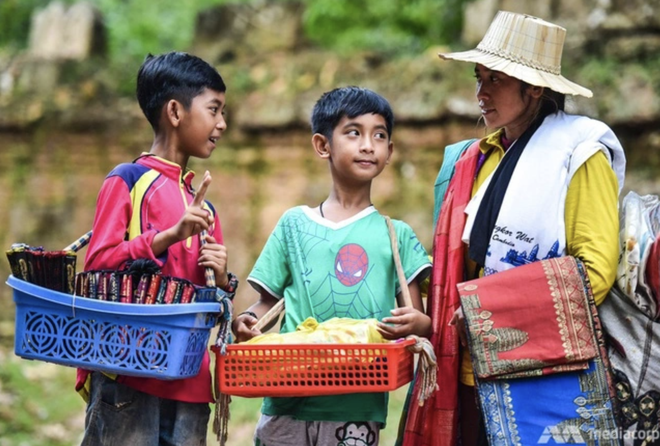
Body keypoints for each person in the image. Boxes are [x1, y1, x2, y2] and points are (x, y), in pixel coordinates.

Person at [397, 11, 626, 446]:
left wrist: (491, 314)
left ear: (535, 87)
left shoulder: (579, 154)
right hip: (466, 364)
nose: (481, 93)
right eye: (478, 78)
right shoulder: (477, 157)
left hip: (539, 371)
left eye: (495, 80)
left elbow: (594, 272)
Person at [232, 86, 433, 446]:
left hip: (356, 406)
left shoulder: (395, 235)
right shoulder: (293, 224)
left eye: (380, 135)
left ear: (390, 152)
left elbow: (415, 316)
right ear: (323, 146)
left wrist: (421, 324)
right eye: (354, 133)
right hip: (287, 399)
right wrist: (249, 322)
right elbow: (265, 305)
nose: (368, 144)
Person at [78, 51, 235, 446]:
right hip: (130, 371)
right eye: (214, 109)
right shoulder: (128, 180)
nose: (222, 123)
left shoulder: (203, 203)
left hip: (190, 377)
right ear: (175, 112)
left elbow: (200, 298)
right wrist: (167, 236)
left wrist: (220, 276)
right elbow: (97, 265)